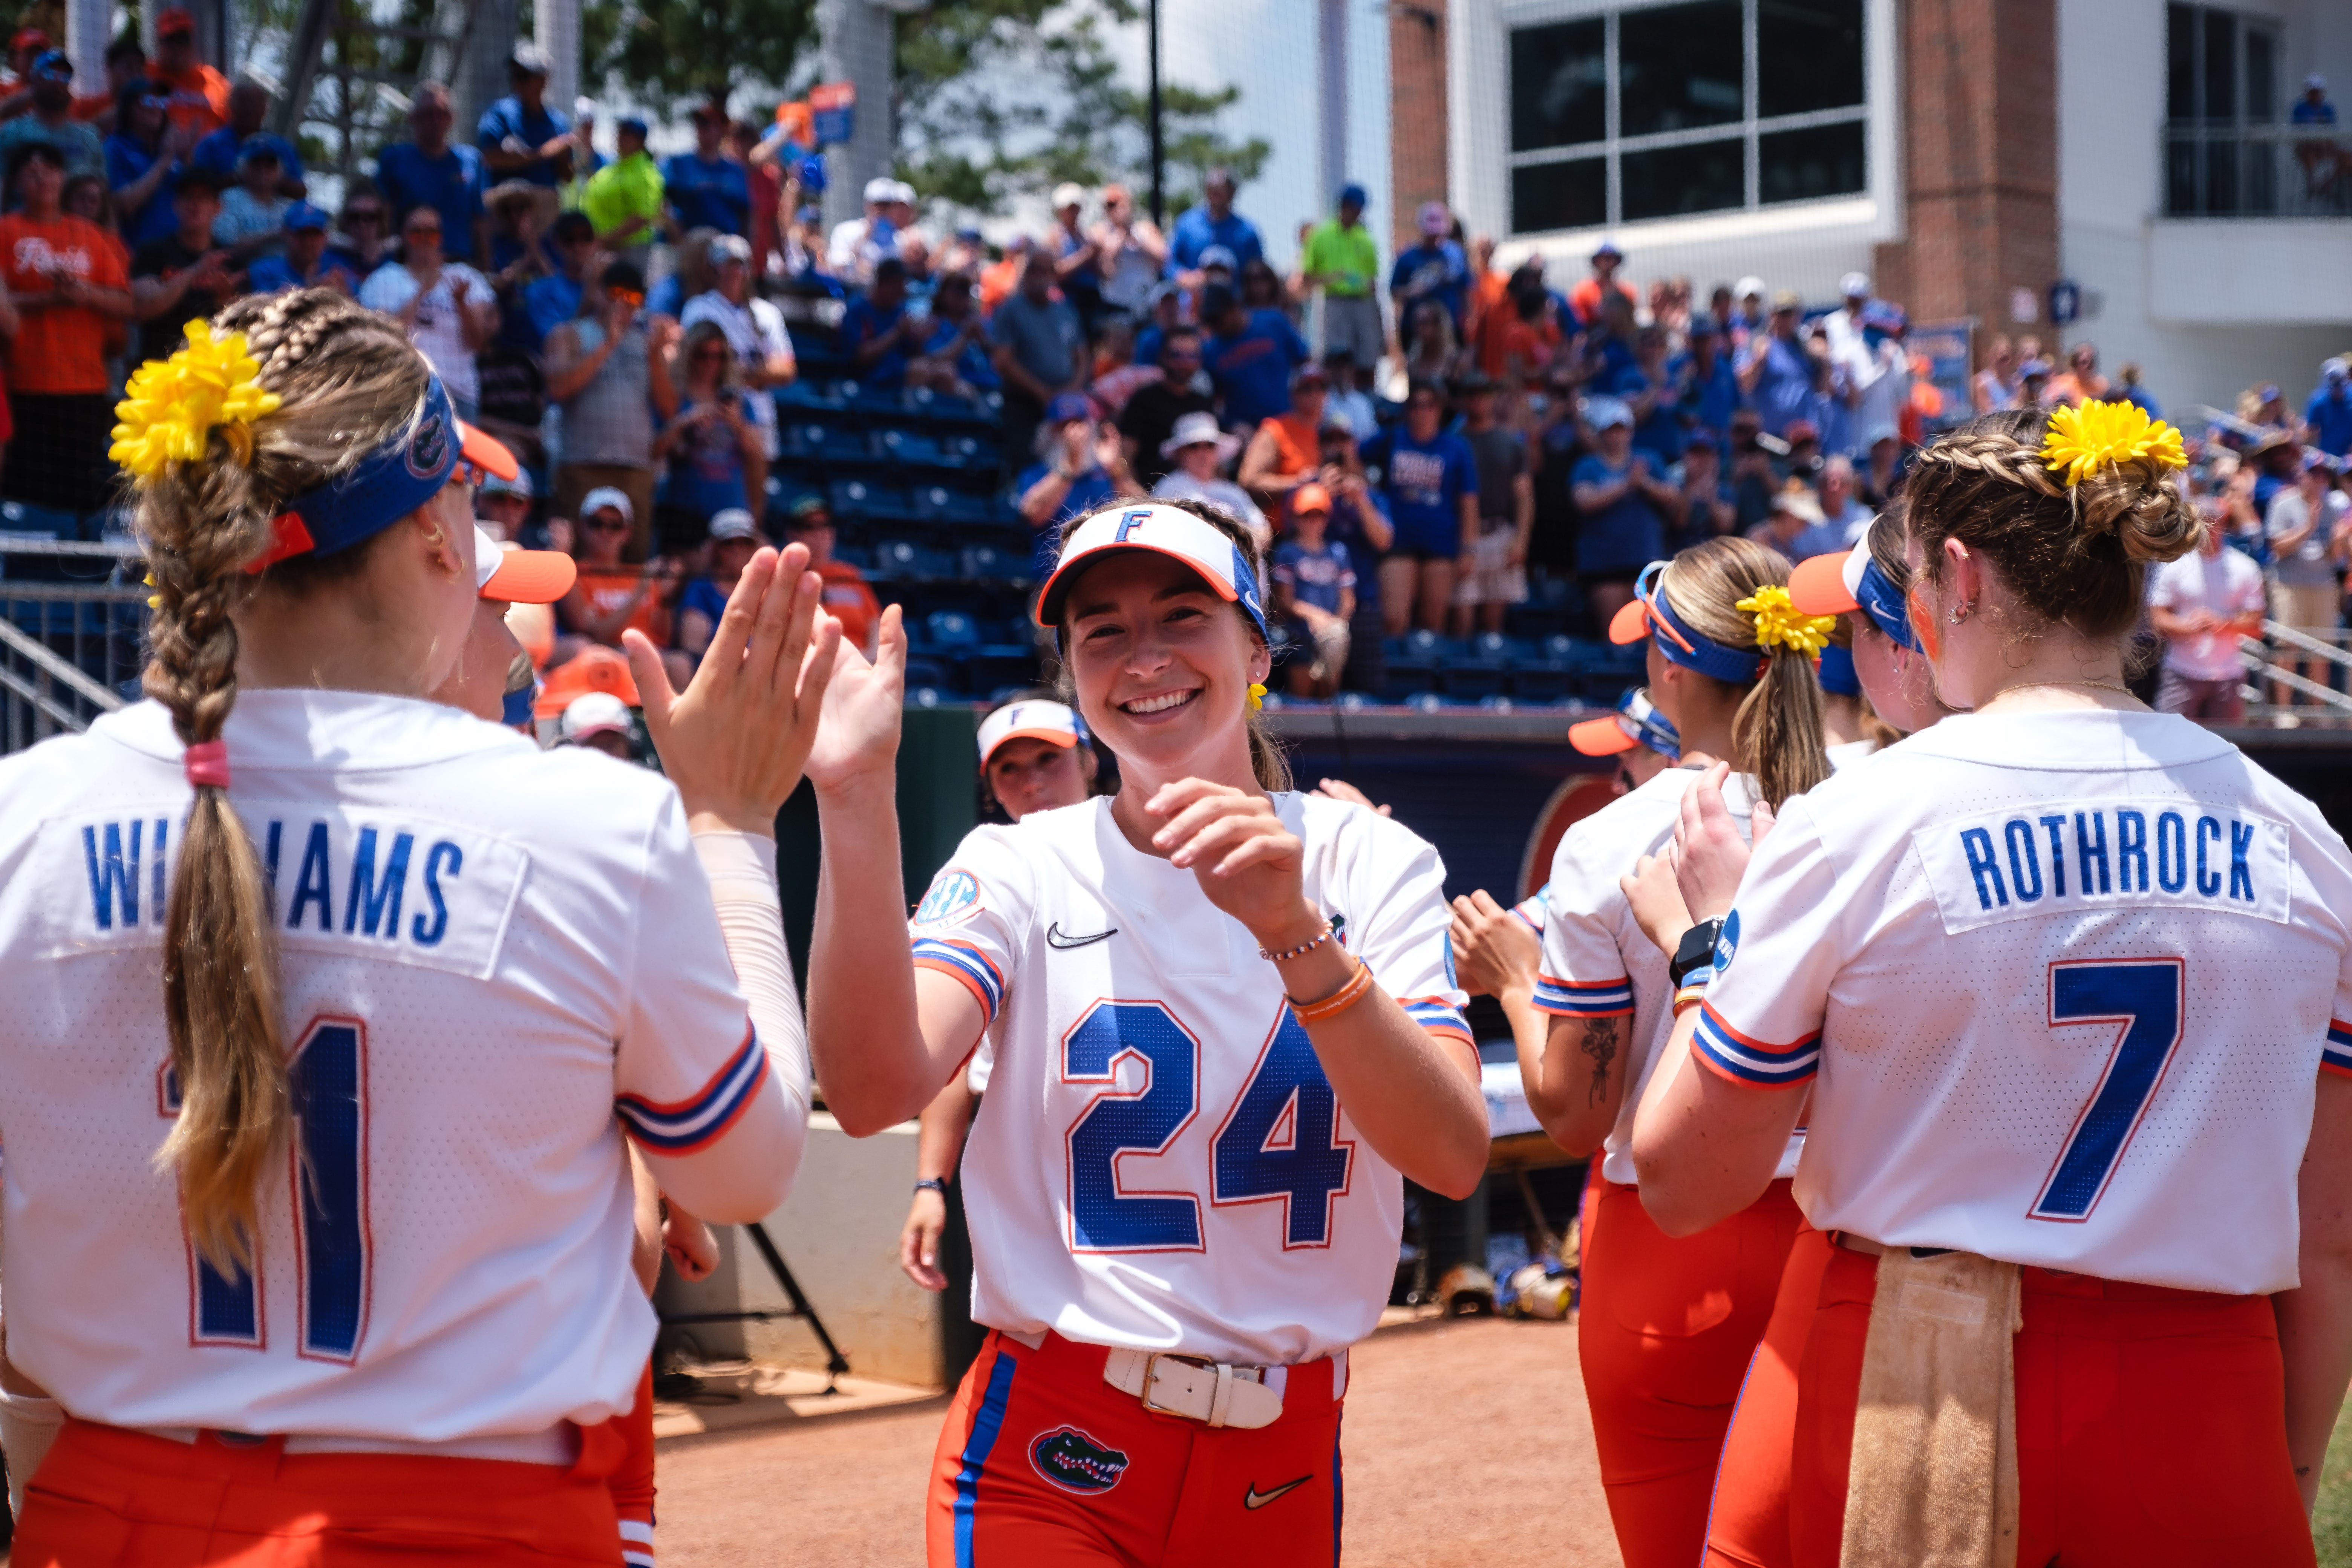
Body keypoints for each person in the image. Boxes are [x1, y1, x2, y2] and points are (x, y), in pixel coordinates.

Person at [2, 288, 815, 1563]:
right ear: (441, 535)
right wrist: (733, 831)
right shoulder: (589, 825)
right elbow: (747, 1168)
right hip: (462, 1522)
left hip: (99, 1514)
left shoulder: (22, 817)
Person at [1625, 403, 2349, 1568]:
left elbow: (1681, 1179)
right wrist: (2286, 1469)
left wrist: (1710, 942)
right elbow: (2329, 1240)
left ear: (1958, 576)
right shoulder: (2305, 842)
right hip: (2202, 1385)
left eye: (1909, 577)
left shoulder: (1859, 819)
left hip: (1913, 1373)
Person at [802, 495, 1483, 1563]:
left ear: (1256, 645)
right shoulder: (1020, 863)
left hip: (1285, 1456)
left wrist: (1294, 934)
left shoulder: (1366, 862)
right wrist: (850, 799)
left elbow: (1450, 1154)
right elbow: (871, 1089)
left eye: (1181, 616)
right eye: (1102, 632)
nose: (1144, 657)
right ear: (1071, 671)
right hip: (1054, 1442)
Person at [1507, 538, 1831, 1568]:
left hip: (1663, 1248)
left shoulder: (1609, 843)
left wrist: (1516, 984)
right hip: (1842, 1242)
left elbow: (1574, 1116)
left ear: (1670, 669)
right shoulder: (1863, 814)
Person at [897, 698, 1100, 1295]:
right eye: (1009, 769)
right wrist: (931, 1183)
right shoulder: (989, 873)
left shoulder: (1153, 857)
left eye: (1049, 759)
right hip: (1018, 1143)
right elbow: (950, 1058)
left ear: (1089, 760)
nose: (1033, 781)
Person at [0, 143, 129, 515]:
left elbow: (126, 303)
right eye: (31, 170)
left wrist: (82, 292)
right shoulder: (5, 231)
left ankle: (74, 568)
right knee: (24, 494)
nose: (42, 177)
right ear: (18, 180)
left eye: (51, 169)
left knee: (76, 492)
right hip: (23, 384)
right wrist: (51, 299)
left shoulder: (91, 236)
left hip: (85, 384)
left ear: (62, 178)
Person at [545, 259, 676, 557]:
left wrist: (656, 357)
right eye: (618, 294)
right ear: (600, 294)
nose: (625, 305)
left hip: (636, 469)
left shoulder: (648, 343)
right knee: (573, 558)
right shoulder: (569, 334)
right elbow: (558, 388)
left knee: (634, 559)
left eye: (634, 299)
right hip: (581, 463)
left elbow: (669, 409)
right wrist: (608, 343)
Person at [358, 204, 495, 421]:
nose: (424, 240)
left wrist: (461, 304)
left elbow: (479, 343)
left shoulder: (465, 276)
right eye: (416, 234)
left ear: (440, 238)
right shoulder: (383, 279)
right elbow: (384, 341)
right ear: (404, 237)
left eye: (431, 234)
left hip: (460, 393)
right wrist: (422, 290)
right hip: (406, 392)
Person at [1362, 378, 1478, 633]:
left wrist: (1468, 549)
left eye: (1429, 405)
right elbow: (1355, 456)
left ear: (1439, 410)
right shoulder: (1392, 439)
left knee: (1432, 623)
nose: (1422, 412)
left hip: (1441, 542)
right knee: (1394, 619)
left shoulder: (1457, 448)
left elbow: (1468, 501)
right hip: (1398, 539)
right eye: (1415, 405)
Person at [2147, 494, 2266, 726]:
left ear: (2224, 522)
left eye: (2215, 521)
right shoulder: (2173, 565)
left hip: (2228, 676)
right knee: (2171, 744)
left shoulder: (2245, 567)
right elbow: (2156, 618)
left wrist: (2223, 623)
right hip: (2180, 672)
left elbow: (2256, 624)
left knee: (2228, 748)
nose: (2210, 528)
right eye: (2204, 521)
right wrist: (2186, 627)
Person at [681, 233, 793, 461]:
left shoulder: (767, 313)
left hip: (760, 416)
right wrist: (759, 375)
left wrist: (733, 373)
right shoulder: (699, 308)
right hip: (714, 414)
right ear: (714, 269)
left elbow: (787, 370)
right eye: (727, 265)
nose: (734, 272)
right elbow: (694, 364)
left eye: (740, 264)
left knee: (757, 490)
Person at [1572, 397, 1682, 625]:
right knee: (1615, 634)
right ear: (1601, 433)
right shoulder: (1587, 466)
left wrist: (1644, 484)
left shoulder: (1649, 460)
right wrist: (1627, 485)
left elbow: (1673, 497)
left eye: (1621, 430)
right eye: (1611, 430)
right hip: (1603, 563)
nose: (1616, 437)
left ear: (1630, 432)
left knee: (1649, 634)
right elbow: (1584, 501)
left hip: (1644, 561)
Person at [1016, 392, 1144, 580]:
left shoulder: (1108, 473)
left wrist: (1116, 470)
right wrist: (1069, 469)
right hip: (1054, 581)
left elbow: (1145, 510)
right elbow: (1032, 514)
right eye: (1063, 427)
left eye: (1079, 425)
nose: (1072, 434)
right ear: (1048, 432)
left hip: (1111, 577)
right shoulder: (1036, 474)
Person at [654, 318, 766, 528]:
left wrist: (737, 423)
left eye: (719, 356)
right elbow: (655, 451)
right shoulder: (673, 398)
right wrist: (687, 421)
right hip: (685, 509)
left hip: (730, 508)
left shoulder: (739, 401)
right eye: (703, 355)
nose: (710, 363)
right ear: (689, 355)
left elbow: (757, 454)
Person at [129, 165, 239, 365]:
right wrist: (196, 270)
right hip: (158, 368)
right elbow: (142, 308)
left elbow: (241, 328)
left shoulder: (230, 259)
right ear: (175, 205)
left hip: (211, 370)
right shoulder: (153, 252)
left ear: (218, 207)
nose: (194, 204)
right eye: (188, 197)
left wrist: (224, 297)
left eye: (203, 198)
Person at [990, 247, 1086, 469]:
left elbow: (1082, 356)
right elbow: (1003, 361)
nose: (1040, 276)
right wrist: (1041, 392)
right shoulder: (1011, 309)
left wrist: (1072, 389)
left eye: (1046, 271)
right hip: (1024, 406)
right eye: (1034, 270)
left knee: (1068, 467)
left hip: (1064, 407)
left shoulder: (1066, 311)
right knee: (1027, 469)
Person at [374, 81, 487, 268]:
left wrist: (485, 269)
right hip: (409, 267)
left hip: (459, 267)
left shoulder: (472, 161)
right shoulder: (395, 158)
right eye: (428, 114)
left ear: (452, 118)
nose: (436, 120)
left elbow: (480, 221)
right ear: (413, 118)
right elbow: (384, 214)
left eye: (442, 114)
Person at [2263, 454, 2346, 701]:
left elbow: (2333, 558)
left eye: (2324, 475)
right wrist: (2309, 527)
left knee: (2320, 652)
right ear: (2302, 474)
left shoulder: (2335, 507)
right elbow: (2278, 548)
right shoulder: (2283, 503)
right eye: (2314, 473)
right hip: (2289, 585)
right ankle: (2285, 714)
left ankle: (2317, 714)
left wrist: (2339, 541)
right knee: (2288, 649)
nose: (2319, 479)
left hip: (2323, 585)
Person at [1454, 372, 1532, 634]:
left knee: (1493, 621)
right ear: (1464, 400)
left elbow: (1524, 496)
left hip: (1500, 533)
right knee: (1461, 618)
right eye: (1472, 394)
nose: (1478, 400)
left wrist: (1521, 540)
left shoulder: (1509, 442)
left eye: (1484, 394)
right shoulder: (1452, 440)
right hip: (1463, 535)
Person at [558, 486, 674, 661]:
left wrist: (667, 600)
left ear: (627, 532)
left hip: (649, 655)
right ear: (581, 527)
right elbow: (594, 633)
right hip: (605, 654)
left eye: (615, 526)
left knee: (680, 663)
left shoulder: (643, 574)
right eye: (597, 523)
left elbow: (664, 638)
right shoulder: (574, 573)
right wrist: (638, 594)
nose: (606, 532)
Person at [1272, 482, 1358, 697]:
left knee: (1328, 696)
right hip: (1298, 632)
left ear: (1327, 518)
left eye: (1318, 515)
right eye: (1306, 515)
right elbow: (1285, 600)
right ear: (1295, 518)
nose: (1313, 522)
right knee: (1303, 697)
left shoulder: (1339, 552)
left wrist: (1334, 626)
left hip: (1331, 633)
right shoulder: (1287, 551)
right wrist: (1315, 617)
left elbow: (1348, 601)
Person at [778, 494, 880, 655]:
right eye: (809, 527)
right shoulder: (787, 579)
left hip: (865, 661)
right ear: (792, 534)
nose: (820, 534)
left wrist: (872, 658)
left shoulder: (850, 574)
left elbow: (875, 624)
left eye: (826, 525)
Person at [1203, 284, 1310, 432]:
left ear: (1234, 307)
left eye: (1217, 318)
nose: (1215, 325)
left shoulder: (1273, 321)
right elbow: (1213, 401)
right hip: (1246, 434)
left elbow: (1305, 361)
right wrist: (1230, 426)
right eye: (1210, 321)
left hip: (1287, 423)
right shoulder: (1211, 351)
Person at [1153, 408, 1268, 547]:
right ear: (1179, 454)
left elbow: (1264, 533)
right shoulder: (1170, 485)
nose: (1203, 454)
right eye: (1193, 447)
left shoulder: (1234, 491)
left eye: (1209, 446)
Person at [1301, 183, 1384, 373]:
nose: (1359, 213)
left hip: (1363, 304)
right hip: (1334, 303)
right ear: (1345, 206)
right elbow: (1307, 280)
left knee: (1367, 359)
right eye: (1357, 208)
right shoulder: (1320, 236)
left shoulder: (1366, 238)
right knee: (1336, 358)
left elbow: (1373, 283)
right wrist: (1332, 278)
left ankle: (1366, 398)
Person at [1118, 324, 1213, 488]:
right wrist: (1138, 498)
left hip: (1198, 497)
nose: (1185, 363)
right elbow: (1125, 458)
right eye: (1177, 355)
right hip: (1152, 495)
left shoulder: (1203, 403)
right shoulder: (1143, 400)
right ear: (1164, 357)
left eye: (1192, 356)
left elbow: (1214, 461)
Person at [672, 505, 760, 682]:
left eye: (745, 542)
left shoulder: (766, 588)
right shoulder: (701, 589)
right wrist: (738, 660)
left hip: (760, 671)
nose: (737, 549)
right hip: (715, 674)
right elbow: (692, 644)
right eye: (728, 543)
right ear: (715, 548)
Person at [102, 77, 187, 251]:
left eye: (161, 101)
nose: (157, 108)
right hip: (138, 256)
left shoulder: (167, 147)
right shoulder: (114, 148)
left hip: (177, 256)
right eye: (148, 101)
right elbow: (124, 205)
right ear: (128, 109)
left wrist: (187, 156)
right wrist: (165, 160)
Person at [478, 45, 572, 190]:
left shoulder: (559, 123)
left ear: (543, 81)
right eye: (514, 76)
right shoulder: (500, 113)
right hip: (506, 206)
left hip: (543, 205)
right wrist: (542, 153)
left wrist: (563, 157)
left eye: (523, 76)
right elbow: (489, 158)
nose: (516, 83)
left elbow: (567, 178)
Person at [0, 51, 103, 182]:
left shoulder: (89, 137)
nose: (58, 82)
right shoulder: (12, 134)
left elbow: (102, 193)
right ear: (34, 80)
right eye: (50, 74)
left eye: (65, 76)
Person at [188, 78, 302, 194]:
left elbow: (301, 192)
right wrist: (239, 178)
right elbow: (195, 187)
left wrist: (270, 178)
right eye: (243, 102)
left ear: (265, 108)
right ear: (229, 106)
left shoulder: (281, 147)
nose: (249, 109)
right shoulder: (212, 144)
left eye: (255, 103)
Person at [583, 113, 663, 260]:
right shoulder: (613, 167)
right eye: (621, 132)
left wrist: (604, 239)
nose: (621, 138)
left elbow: (642, 216)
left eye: (628, 135)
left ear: (641, 141)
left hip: (629, 250)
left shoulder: (646, 173)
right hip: (602, 247)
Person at [665, 101, 749, 239]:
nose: (704, 129)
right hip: (689, 244)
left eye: (710, 124)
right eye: (700, 124)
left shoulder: (735, 170)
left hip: (726, 246)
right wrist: (676, 233)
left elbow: (746, 213)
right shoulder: (678, 164)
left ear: (723, 129)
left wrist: (744, 242)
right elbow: (662, 204)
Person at [1166, 165, 1263, 282]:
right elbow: (1169, 262)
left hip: (1234, 299)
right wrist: (1185, 277)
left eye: (1221, 191)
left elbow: (1258, 272)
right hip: (1195, 298)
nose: (1216, 196)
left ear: (1232, 193)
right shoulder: (1187, 224)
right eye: (1212, 190)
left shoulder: (1247, 231)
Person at [839, 254, 922, 390]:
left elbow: (912, 351)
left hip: (897, 368)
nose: (902, 292)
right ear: (883, 284)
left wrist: (919, 337)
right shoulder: (858, 309)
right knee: (920, 370)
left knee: (940, 371)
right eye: (897, 286)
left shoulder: (899, 308)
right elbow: (861, 357)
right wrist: (898, 332)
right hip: (868, 377)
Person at [147, 7, 229, 142]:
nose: (177, 48)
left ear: (192, 43)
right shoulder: (146, 76)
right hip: (159, 154)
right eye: (171, 41)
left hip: (206, 158)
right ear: (159, 43)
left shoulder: (212, 80)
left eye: (183, 40)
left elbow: (232, 125)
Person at [1390, 202, 1468, 341]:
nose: (1434, 238)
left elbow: (1466, 290)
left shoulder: (1456, 254)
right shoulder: (1407, 257)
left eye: (1437, 234)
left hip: (1450, 329)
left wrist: (1467, 322)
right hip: (1416, 329)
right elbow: (1394, 291)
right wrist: (1411, 291)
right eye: (1430, 234)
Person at [244, 201, 357, 295]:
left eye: (315, 234)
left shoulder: (338, 271)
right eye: (301, 234)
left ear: (326, 236)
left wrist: (346, 296)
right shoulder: (264, 270)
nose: (308, 242)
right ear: (285, 234)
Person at [1094, 182, 1165, 319]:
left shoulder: (1147, 229)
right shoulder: (1100, 232)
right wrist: (1123, 233)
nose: (1115, 210)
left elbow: (1161, 260)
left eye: (1119, 205)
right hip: (1116, 304)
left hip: (1147, 303)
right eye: (1111, 206)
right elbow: (1106, 271)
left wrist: (1136, 236)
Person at [211, 140, 291, 256]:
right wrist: (273, 235)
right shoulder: (229, 198)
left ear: (280, 171)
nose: (263, 170)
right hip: (238, 268)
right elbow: (227, 244)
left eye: (270, 165)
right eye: (256, 164)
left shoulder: (289, 207)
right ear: (243, 167)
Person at [1568, 239, 1636, 327]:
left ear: (1617, 262)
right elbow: (1578, 323)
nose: (1607, 263)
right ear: (1596, 261)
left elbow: (1630, 322)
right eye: (1604, 258)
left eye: (1611, 258)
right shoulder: (1583, 292)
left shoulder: (1627, 291)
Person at [2305, 358, 2352, 458]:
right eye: (2333, 380)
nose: (2337, 384)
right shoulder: (2318, 402)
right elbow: (2311, 432)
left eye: (2340, 380)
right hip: (2329, 457)